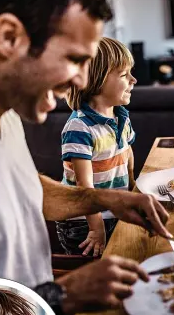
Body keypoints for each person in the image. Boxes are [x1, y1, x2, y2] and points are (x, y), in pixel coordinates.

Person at [0, 0, 173, 315]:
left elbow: (27, 192)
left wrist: (103, 198)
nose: (81, 81)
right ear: (8, 38)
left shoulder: (6, 118)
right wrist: (63, 296)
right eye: (75, 59)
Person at [56, 37, 138, 257]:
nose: (133, 80)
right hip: (84, 223)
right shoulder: (80, 127)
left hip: (113, 212)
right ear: (97, 80)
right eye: (124, 75)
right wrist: (96, 228)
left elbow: (126, 151)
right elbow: (85, 185)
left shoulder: (120, 116)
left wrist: (132, 185)